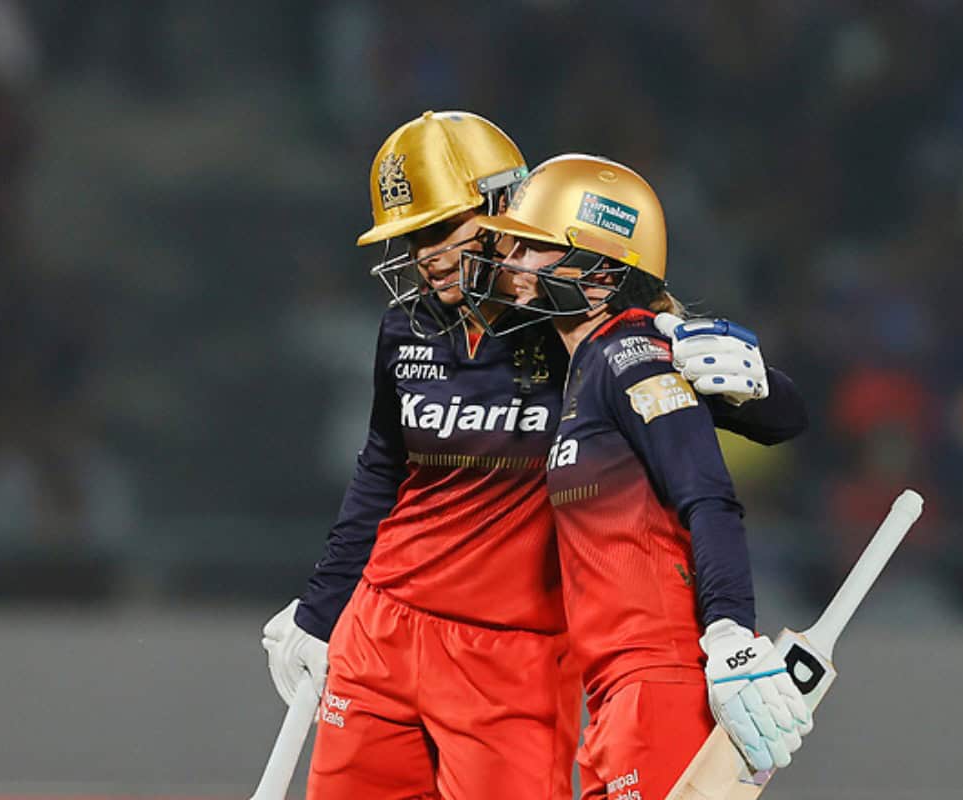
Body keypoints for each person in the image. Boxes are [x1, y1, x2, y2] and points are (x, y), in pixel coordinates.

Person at [261, 112, 808, 800]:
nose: (423, 256)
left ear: (503, 209)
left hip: (512, 652)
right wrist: (320, 611)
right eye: (409, 236)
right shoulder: (404, 328)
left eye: (439, 229)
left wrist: (752, 385)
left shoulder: (571, 324)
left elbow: (769, 424)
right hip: (383, 625)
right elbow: (381, 469)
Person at [467, 153, 814, 799]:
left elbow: (708, 497)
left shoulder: (630, 357)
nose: (512, 260)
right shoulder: (586, 363)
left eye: (537, 246)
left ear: (598, 274)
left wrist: (732, 636)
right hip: (615, 697)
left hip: (662, 680)